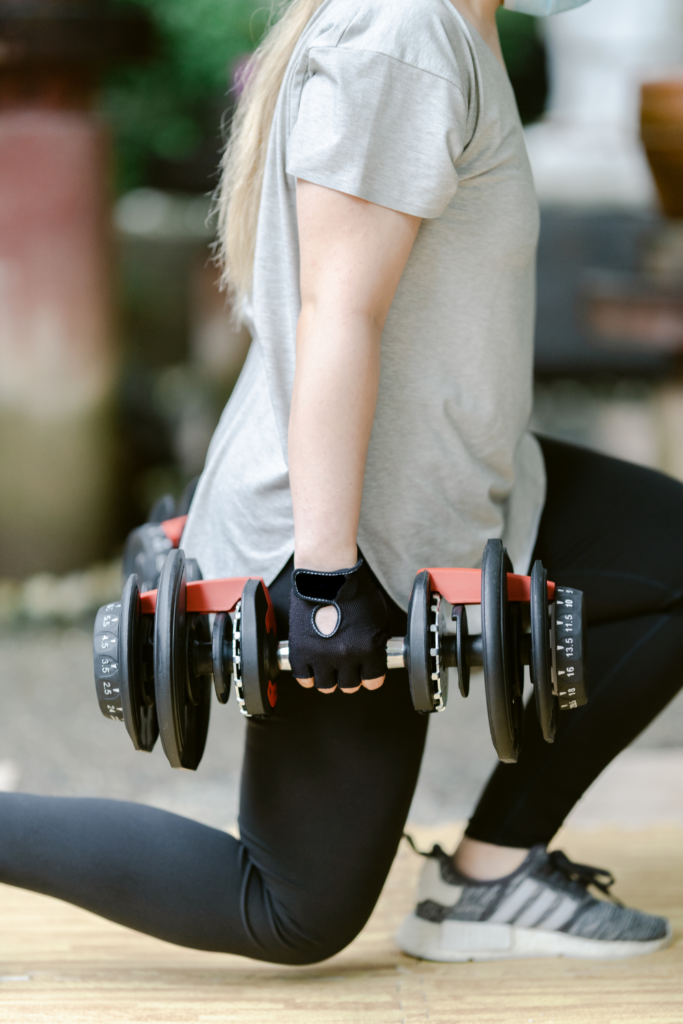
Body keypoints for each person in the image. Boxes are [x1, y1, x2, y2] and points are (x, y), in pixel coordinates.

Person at [0, 0, 677, 964]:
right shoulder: (402, 37)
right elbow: (335, 314)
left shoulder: (456, 23)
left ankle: (488, 880)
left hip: (465, 484)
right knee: (292, 910)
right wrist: (322, 585)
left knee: (671, 552)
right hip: (352, 528)